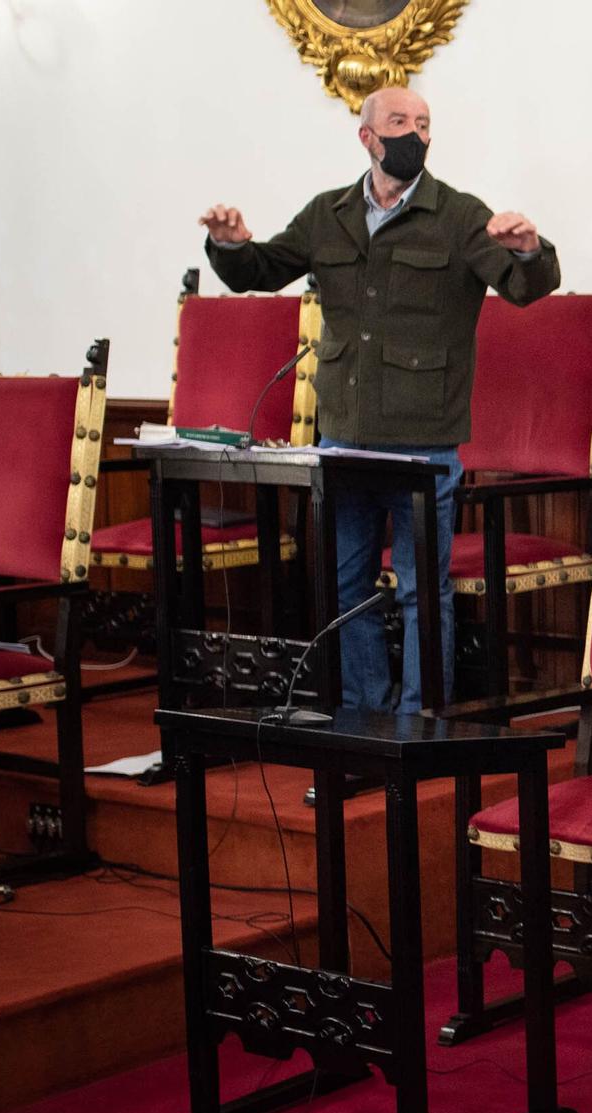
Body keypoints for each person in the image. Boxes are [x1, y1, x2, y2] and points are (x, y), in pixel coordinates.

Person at [199, 85, 559, 715]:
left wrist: (529, 250)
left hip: (424, 445)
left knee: (424, 593)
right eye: (399, 122)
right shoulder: (327, 213)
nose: (414, 134)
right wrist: (230, 245)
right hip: (342, 437)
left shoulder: (458, 214)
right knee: (344, 588)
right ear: (366, 137)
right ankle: (366, 714)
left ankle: (421, 722)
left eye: (424, 124)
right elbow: (259, 271)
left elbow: (524, 286)